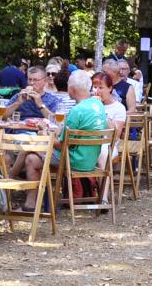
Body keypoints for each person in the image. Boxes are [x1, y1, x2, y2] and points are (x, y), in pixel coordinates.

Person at [16, 71, 104, 208]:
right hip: (90, 159)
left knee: (30, 148)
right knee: (31, 158)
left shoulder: (77, 111)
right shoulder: (98, 105)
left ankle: (9, 182)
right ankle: (31, 204)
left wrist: (45, 136)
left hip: (73, 161)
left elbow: (61, 145)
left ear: (72, 89)